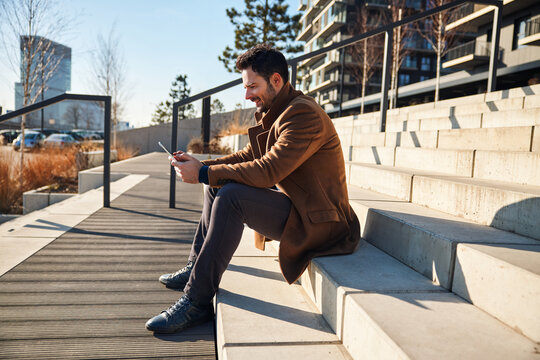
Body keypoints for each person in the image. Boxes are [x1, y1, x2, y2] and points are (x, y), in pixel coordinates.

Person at [145, 43, 360, 334]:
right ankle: (194, 267)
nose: (247, 96)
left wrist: (205, 172)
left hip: (322, 223)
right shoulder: (279, 110)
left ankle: (196, 301)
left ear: (276, 80)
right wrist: (204, 166)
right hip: (299, 208)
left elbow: (268, 170)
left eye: (252, 87)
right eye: (245, 88)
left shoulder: (303, 115)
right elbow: (248, 157)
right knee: (215, 185)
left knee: (231, 196)